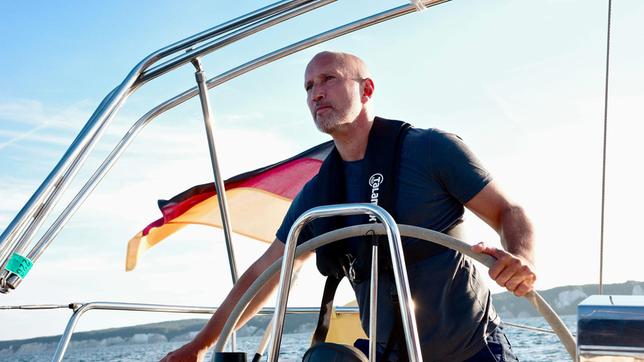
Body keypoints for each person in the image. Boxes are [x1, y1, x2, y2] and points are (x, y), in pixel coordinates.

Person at [161, 51, 536, 362]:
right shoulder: (317, 195)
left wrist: (521, 258)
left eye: (328, 79)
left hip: (474, 351)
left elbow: (509, 211)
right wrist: (200, 345)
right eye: (308, 86)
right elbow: (265, 272)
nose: (315, 93)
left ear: (367, 89)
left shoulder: (431, 149)